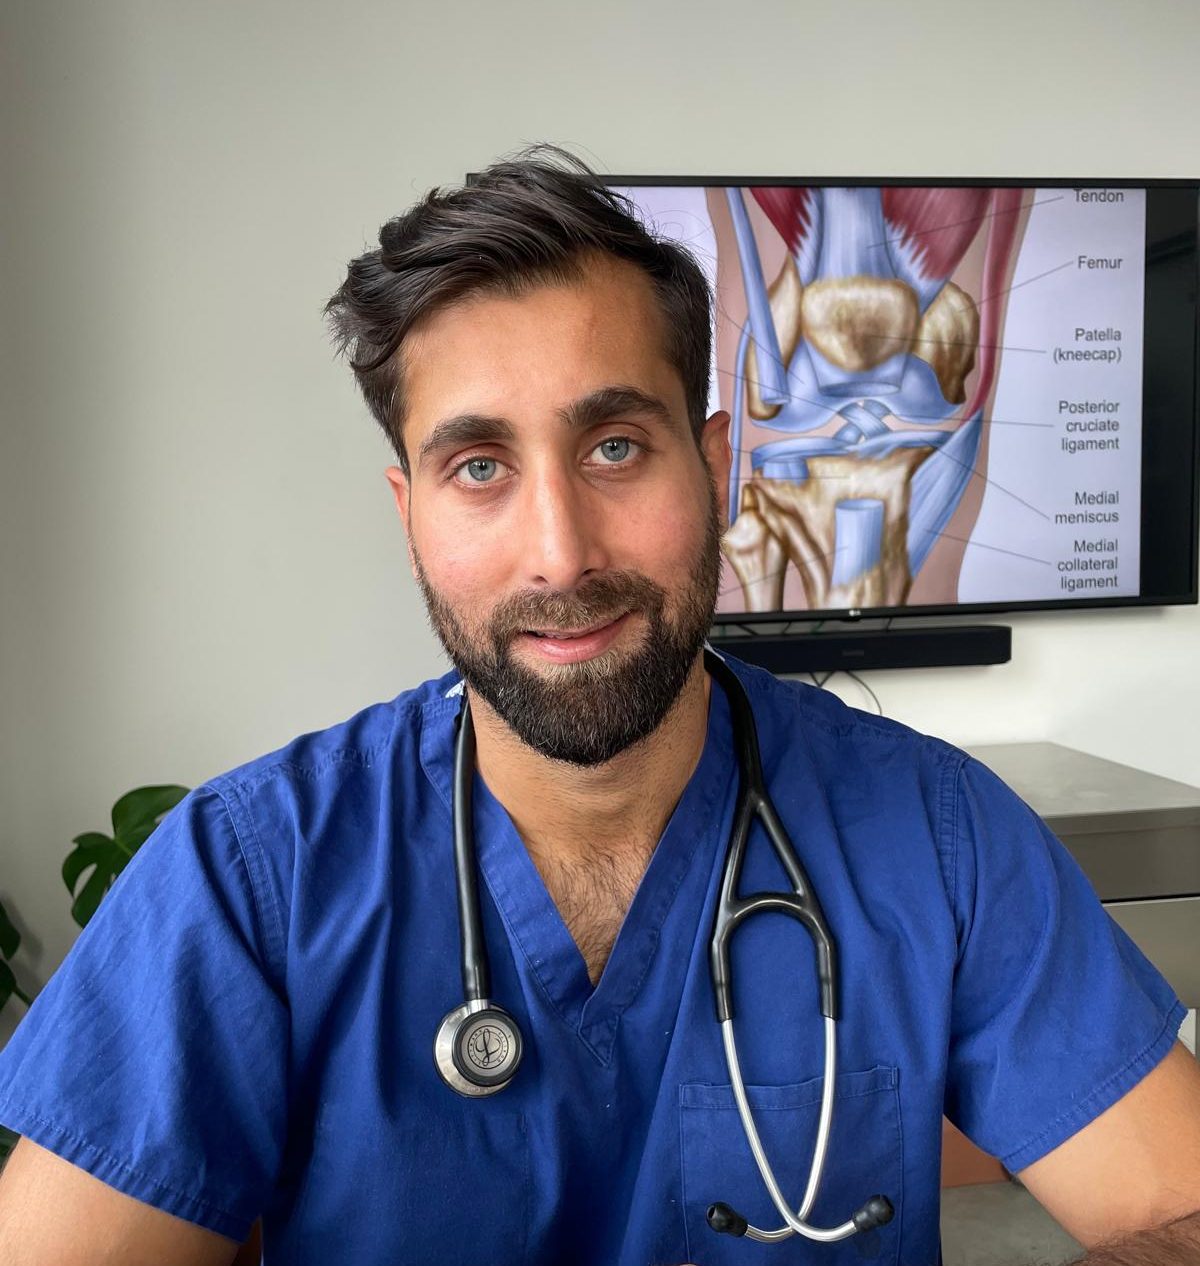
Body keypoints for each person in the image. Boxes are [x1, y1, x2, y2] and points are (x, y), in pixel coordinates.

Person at [0, 145, 1198, 1266]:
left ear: (717, 468)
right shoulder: (249, 880)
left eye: (616, 446)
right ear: (409, 512)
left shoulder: (940, 841)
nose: (561, 556)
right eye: (479, 468)